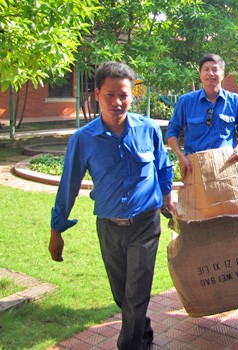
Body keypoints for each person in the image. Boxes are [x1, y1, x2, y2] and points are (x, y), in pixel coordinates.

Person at [48, 61, 176, 350]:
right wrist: (57, 230)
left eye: (124, 95)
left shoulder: (149, 129)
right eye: (110, 95)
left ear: (133, 95)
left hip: (145, 224)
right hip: (108, 227)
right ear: (96, 94)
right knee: (122, 294)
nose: (118, 102)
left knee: (136, 293)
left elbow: (163, 166)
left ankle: (130, 346)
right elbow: (68, 185)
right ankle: (143, 334)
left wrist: (167, 198)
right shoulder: (83, 140)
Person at [165, 53, 238, 179]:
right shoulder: (185, 102)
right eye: (206, 69)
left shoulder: (236, 101)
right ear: (200, 74)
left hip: (225, 166)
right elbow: (171, 132)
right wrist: (181, 157)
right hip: (194, 166)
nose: (210, 73)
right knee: (195, 200)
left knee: (228, 200)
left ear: (223, 74)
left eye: (215, 69)